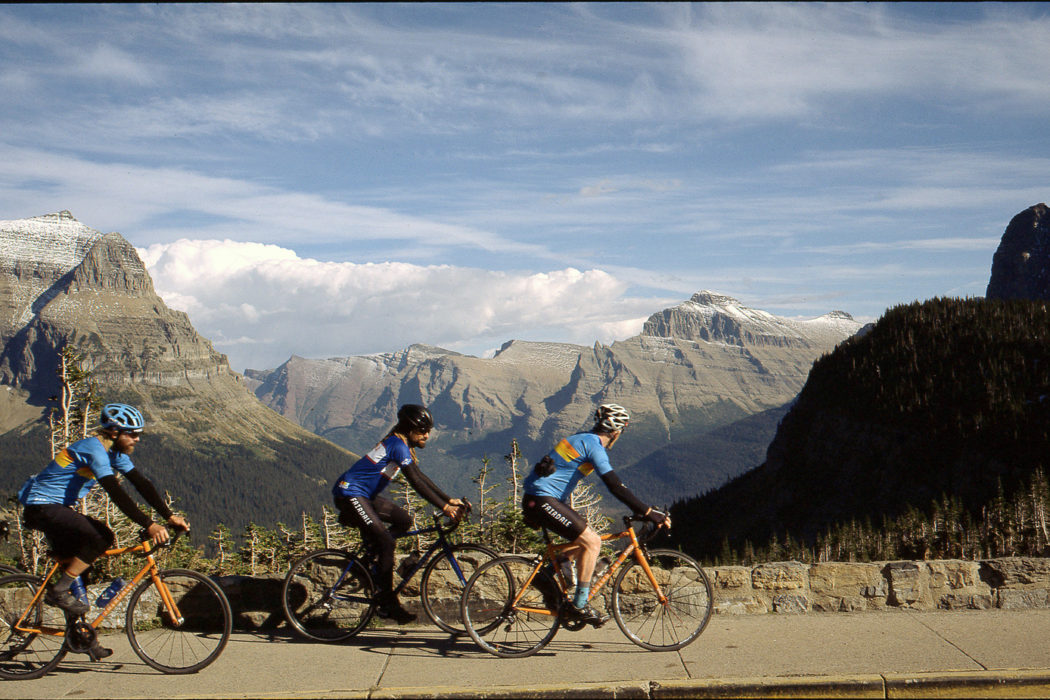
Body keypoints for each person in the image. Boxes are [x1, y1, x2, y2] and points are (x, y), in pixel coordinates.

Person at [17, 402, 189, 659]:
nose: (137, 439)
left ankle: (82, 638)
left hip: (55, 508)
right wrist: (149, 525)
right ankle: (58, 592)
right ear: (114, 432)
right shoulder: (94, 450)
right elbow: (115, 492)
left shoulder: (114, 453)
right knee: (103, 536)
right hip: (42, 507)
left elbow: (142, 484)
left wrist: (169, 516)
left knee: (80, 574)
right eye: (132, 434)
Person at [522, 403, 669, 625]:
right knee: (592, 542)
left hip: (537, 499)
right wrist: (648, 512)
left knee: (585, 539)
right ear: (617, 432)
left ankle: (547, 575)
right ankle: (579, 605)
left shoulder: (580, 438)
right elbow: (614, 485)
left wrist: (643, 510)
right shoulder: (594, 447)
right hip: (543, 500)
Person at [332, 403, 467, 624]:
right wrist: (444, 508)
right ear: (409, 429)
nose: (427, 436)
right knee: (387, 542)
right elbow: (415, 481)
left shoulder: (400, 443)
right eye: (423, 431)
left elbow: (420, 475)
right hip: (350, 494)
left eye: (428, 431)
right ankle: (387, 603)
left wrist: (447, 499)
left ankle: (370, 562)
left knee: (404, 521)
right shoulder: (397, 445)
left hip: (364, 496)